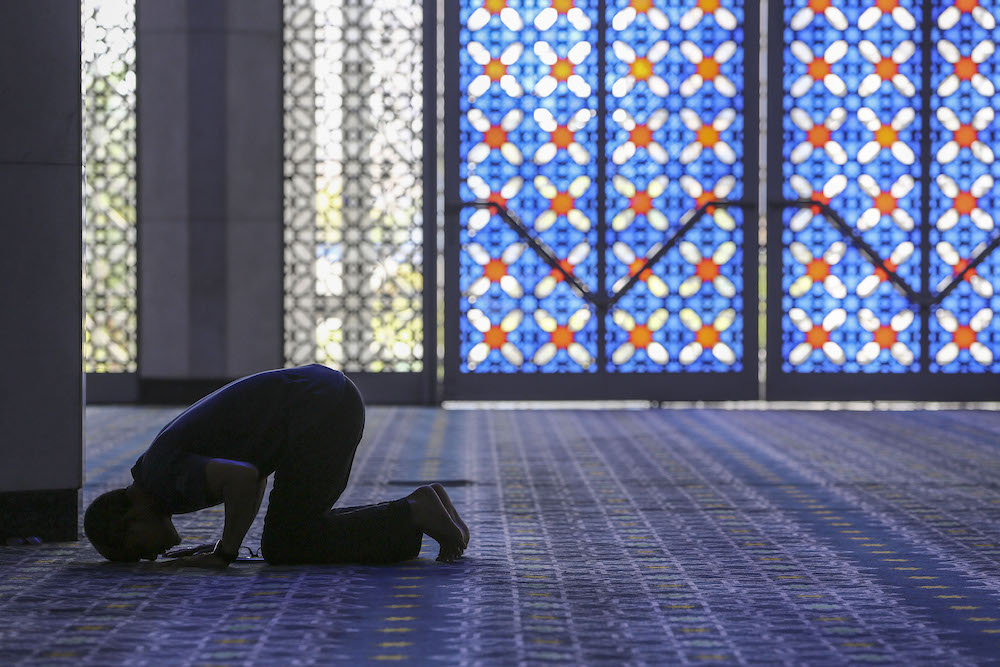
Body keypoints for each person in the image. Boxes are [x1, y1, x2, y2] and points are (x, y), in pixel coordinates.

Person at [84, 364, 469, 568]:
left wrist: (225, 552)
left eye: (138, 551)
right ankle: (425, 505)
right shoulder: (154, 471)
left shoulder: (162, 479)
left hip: (320, 412)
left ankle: (415, 513)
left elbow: (244, 478)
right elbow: (247, 473)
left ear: (131, 521)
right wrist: (223, 544)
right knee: (296, 528)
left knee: (286, 544)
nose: (150, 558)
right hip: (324, 400)